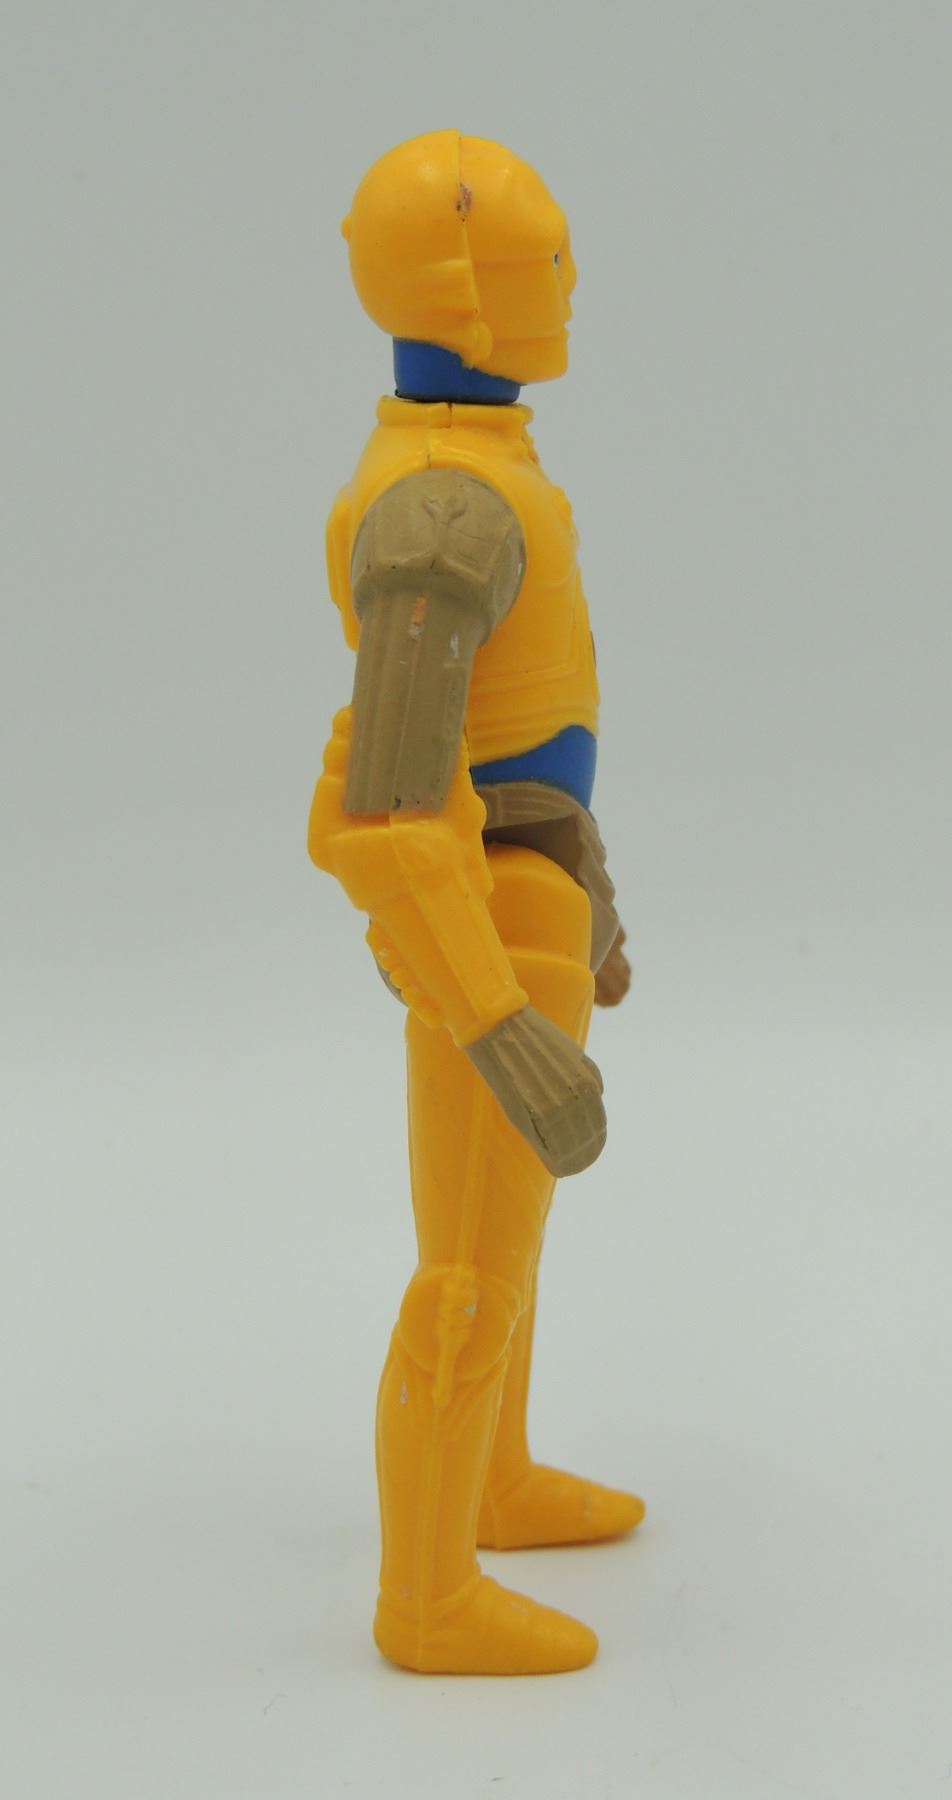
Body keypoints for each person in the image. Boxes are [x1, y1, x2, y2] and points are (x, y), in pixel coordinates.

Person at [309, 130, 642, 1675]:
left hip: (532, 895)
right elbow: (388, 815)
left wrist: (596, 899)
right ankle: (427, 1596)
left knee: (507, 1239)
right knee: (466, 1268)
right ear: (465, 292)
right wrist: (499, 1021)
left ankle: (491, 1482)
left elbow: (533, 731)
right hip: (485, 929)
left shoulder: (479, 471)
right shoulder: (442, 506)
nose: (567, 284)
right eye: (541, 260)